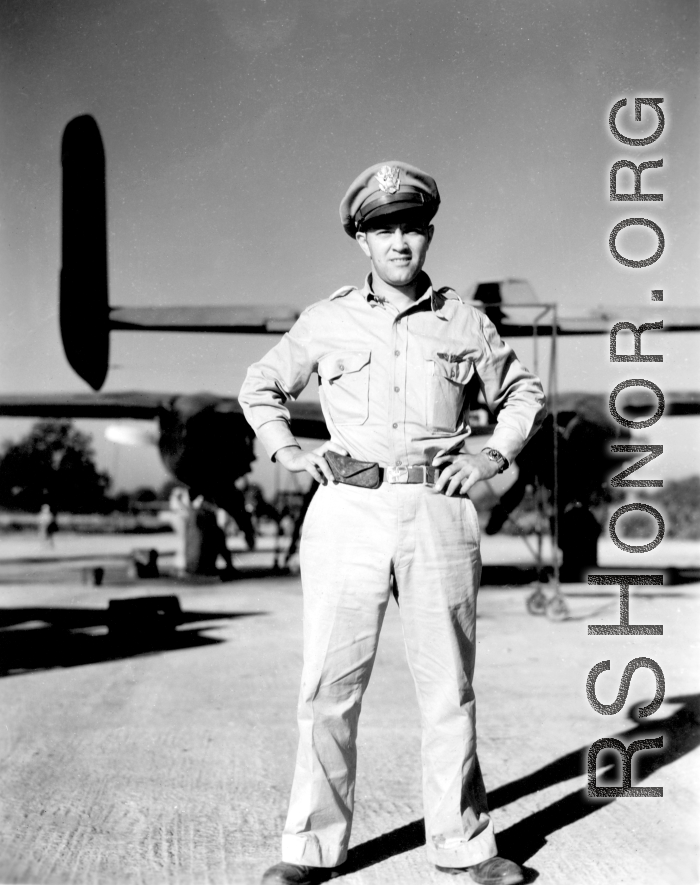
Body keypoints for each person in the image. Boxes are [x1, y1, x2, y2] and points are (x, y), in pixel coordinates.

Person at [240, 162, 546, 885]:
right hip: (348, 508)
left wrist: (492, 455)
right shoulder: (326, 319)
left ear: (428, 233)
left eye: (411, 225)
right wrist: (285, 445)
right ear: (361, 241)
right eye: (383, 229)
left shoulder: (464, 320)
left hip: (439, 512)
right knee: (329, 687)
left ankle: (465, 844)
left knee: (448, 689)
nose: (399, 240)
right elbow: (262, 384)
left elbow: (522, 391)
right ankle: (311, 848)